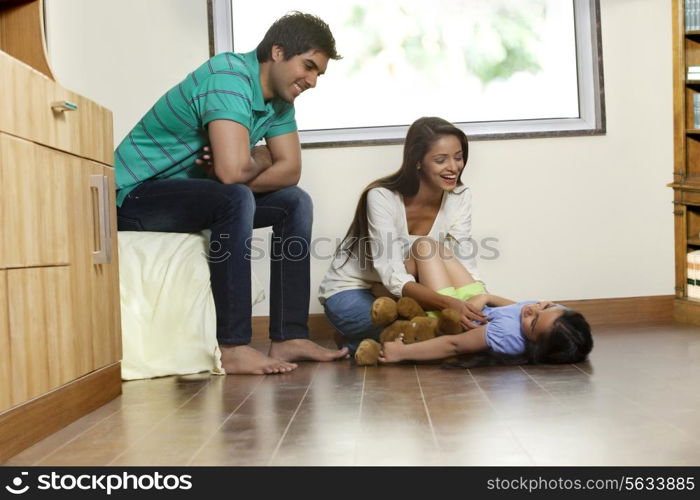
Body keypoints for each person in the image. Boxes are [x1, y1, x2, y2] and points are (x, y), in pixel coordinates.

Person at [114, 12, 348, 375]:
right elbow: (232, 172)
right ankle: (232, 345)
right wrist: (257, 158)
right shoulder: (228, 76)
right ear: (277, 51)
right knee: (234, 197)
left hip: (189, 198)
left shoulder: (280, 103)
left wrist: (248, 159)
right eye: (309, 66)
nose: (313, 81)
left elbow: (289, 170)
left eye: (318, 72)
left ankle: (288, 336)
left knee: (294, 202)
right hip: (134, 195)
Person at [318, 117, 488, 355]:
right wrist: (450, 304)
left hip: (398, 291)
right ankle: (354, 338)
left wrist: (474, 302)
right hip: (352, 292)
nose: (453, 167)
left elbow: (462, 259)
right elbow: (392, 273)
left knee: (445, 330)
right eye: (441, 160)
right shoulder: (381, 197)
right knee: (430, 333)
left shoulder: (460, 197)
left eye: (458, 157)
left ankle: (365, 342)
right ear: (417, 162)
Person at [378, 289, 593, 366]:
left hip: (459, 317)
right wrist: (485, 297)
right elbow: (516, 307)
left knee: (425, 249)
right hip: (476, 303)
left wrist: (402, 353)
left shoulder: (507, 335)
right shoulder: (554, 314)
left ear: (534, 344)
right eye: (546, 305)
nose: (532, 309)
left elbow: (454, 345)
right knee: (431, 248)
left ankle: (383, 285)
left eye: (534, 322)